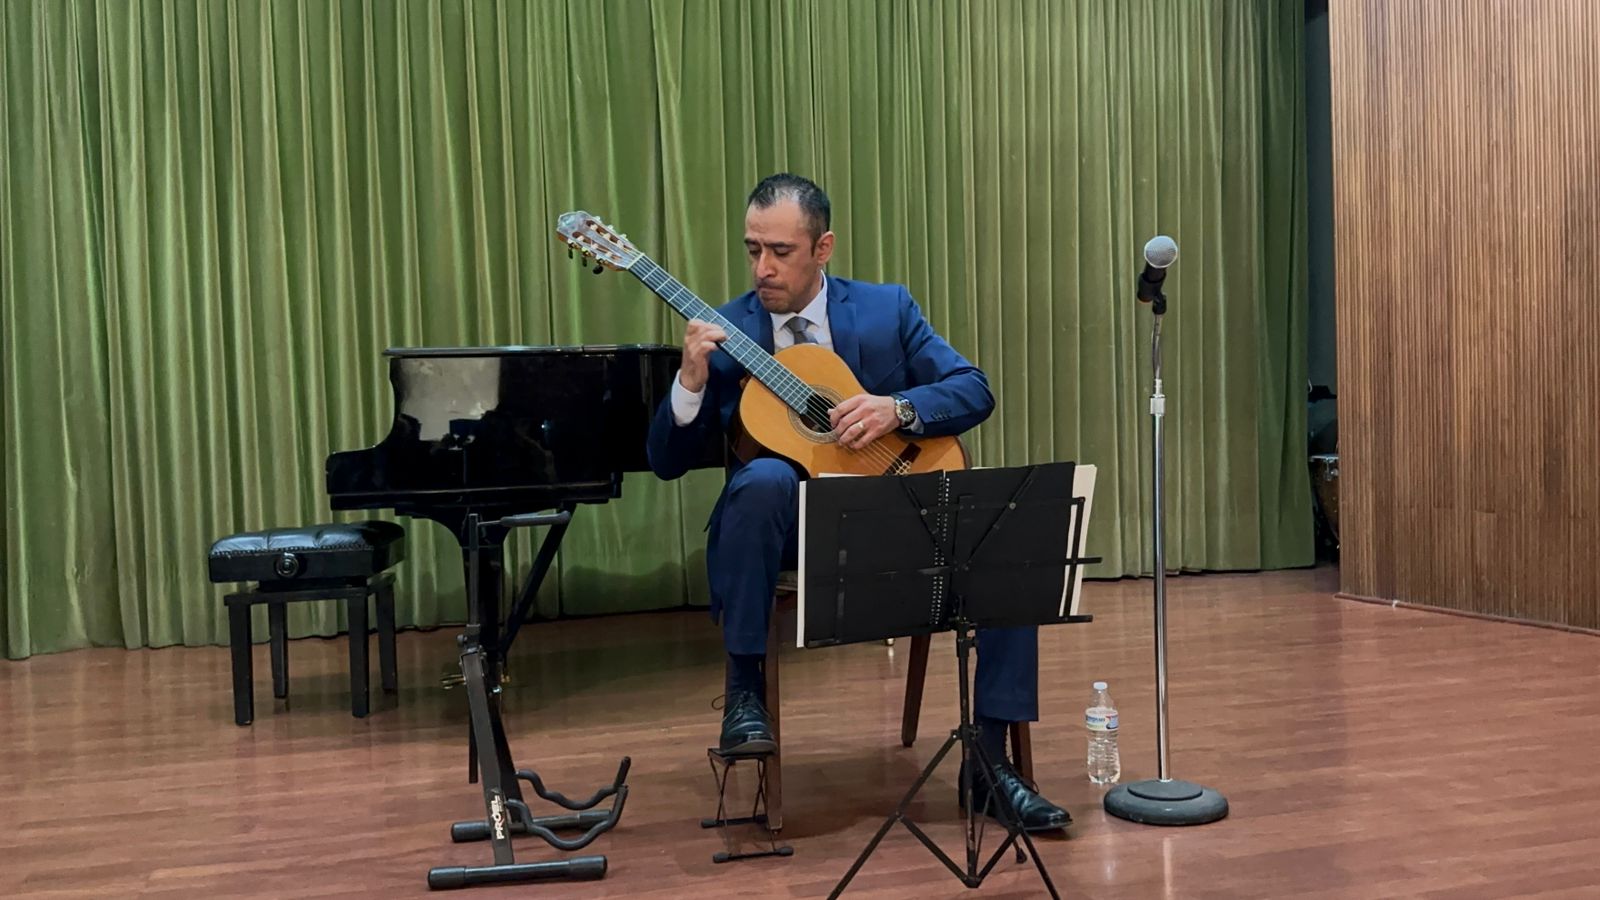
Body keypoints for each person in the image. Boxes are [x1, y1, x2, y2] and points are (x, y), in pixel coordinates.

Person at [645, 173, 1068, 831]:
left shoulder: (885, 309)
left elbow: (972, 389)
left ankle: (987, 765)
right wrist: (691, 381)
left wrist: (896, 408)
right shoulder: (727, 332)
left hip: (895, 513)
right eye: (753, 249)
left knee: (1001, 536)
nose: (763, 267)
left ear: (824, 248)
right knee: (762, 482)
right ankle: (745, 695)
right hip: (788, 537)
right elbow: (666, 463)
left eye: (781, 251)